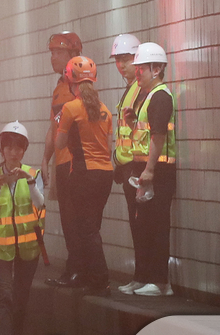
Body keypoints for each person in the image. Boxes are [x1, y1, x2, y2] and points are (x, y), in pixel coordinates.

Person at [51, 56, 114, 293]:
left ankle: (99, 280)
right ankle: (91, 277)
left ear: (70, 80)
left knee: (84, 228)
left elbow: (59, 143)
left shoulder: (71, 108)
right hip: (105, 174)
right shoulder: (105, 110)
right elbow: (106, 142)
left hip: (83, 173)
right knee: (92, 226)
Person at [0, 122, 46, 335]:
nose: (13, 152)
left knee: (20, 298)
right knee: (3, 294)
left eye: (18, 148)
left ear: (24, 150)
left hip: (29, 247)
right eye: (8, 147)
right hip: (0, 247)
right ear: (2, 149)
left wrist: (28, 182)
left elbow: (41, 204)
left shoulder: (33, 175)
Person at [126, 42, 177, 296]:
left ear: (156, 69)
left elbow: (157, 137)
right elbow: (148, 133)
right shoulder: (148, 97)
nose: (138, 73)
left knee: (157, 226)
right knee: (145, 225)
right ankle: (145, 277)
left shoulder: (160, 96)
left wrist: (149, 171)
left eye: (142, 68)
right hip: (150, 170)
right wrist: (133, 121)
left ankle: (160, 282)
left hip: (160, 172)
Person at [41, 31, 83, 288]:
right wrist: (46, 159)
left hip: (73, 162)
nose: (53, 57)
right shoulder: (61, 86)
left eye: (58, 51)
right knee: (70, 219)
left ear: (72, 55)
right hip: (63, 160)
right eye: (52, 52)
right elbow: (54, 127)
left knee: (74, 220)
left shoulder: (74, 87)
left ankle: (78, 270)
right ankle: (75, 268)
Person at [108, 34, 146, 294]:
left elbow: (140, 131)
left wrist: (131, 165)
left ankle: (145, 276)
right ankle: (140, 275)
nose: (121, 65)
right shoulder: (131, 88)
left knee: (141, 225)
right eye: (118, 60)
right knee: (137, 226)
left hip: (135, 166)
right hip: (127, 166)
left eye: (126, 59)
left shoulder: (140, 88)